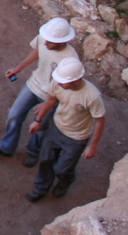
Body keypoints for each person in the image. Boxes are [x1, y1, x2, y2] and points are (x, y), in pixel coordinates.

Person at [0, 17, 78, 166]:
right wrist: (18, 68)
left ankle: (32, 151)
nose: (45, 43)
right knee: (14, 115)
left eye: (50, 42)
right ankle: (6, 146)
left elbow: (67, 86)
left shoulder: (70, 59)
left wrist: (48, 103)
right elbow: (37, 51)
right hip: (33, 85)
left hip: (50, 96)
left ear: (62, 42)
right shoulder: (45, 38)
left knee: (40, 126)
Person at [24, 58, 106, 203]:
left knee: (62, 168)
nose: (60, 83)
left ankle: (66, 179)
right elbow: (50, 100)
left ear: (76, 80)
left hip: (76, 138)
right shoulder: (58, 83)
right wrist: (38, 121)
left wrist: (92, 146)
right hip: (56, 127)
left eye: (64, 81)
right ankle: (41, 188)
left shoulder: (92, 97)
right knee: (46, 159)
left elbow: (99, 121)